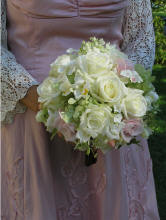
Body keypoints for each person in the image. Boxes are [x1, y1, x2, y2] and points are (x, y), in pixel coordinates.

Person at [1, 0, 160, 219]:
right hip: (33, 121)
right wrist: (41, 100)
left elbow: (141, 40)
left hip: (113, 125)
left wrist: (115, 102)